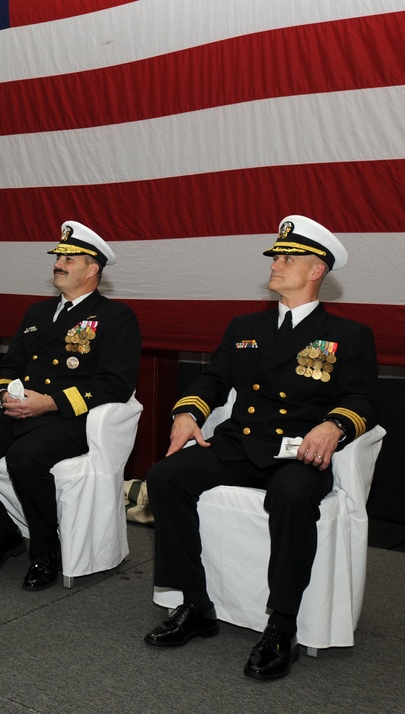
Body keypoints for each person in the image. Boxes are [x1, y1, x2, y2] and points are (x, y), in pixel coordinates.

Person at [142, 215, 380, 680]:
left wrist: (335, 425)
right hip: (238, 443)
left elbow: (361, 399)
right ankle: (195, 605)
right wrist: (188, 412)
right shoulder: (244, 326)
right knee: (164, 476)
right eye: (276, 255)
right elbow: (213, 380)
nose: (276, 262)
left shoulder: (349, 336)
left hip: (298, 451)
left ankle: (281, 625)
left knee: (291, 495)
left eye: (289, 257)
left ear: (316, 271)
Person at [0, 221, 142, 591]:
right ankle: (3, 533)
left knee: (24, 457)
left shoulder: (116, 317)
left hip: (67, 418)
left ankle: (47, 551)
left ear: (93, 268)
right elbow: (9, 366)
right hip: (18, 411)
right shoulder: (36, 313)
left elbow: (117, 384)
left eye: (69, 257)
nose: (59, 262)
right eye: (58, 257)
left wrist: (50, 403)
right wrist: (4, 395)